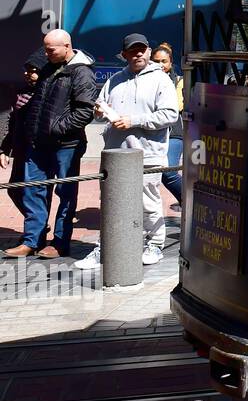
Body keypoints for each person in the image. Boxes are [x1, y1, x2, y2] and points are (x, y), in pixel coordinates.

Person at [75, 33, 179, 269]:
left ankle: (155, 244)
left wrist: (134, 120)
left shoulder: (161, 80)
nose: (138, 54)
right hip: (115, 154)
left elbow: (170, 115)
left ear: (150, 51)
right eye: (133, 50)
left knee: (148, 202)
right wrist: (99, 112)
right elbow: (101, 106)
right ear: (124, 55)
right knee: (110, 202)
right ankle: (105, 247)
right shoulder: (114, 80)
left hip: (148, 153)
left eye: (142, 49)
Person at [3, 30, 97, 259]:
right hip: (39, 144)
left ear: (67, 46)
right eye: (45, 48)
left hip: (66, 145)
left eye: (51, 49)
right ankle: (32, 240)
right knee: (32, 190)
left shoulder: (82, 72)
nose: (46, 53)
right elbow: (37, 103)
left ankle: (60, 243)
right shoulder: (47, 68)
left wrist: (56, 128)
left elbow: (85, 111)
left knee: (65, 193)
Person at [0, 51, 48, 221]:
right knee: (14, 189)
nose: (27, 74)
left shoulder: (46, 93)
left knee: (35, 191)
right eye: (26, 70)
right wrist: (4, 150)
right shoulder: (21, 93)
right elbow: (12, 123)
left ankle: (36, 229)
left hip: (39, 151)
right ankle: (36, 224)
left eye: (32, 70)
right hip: (21, 149)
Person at [151, 43, 184, 208]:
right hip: (150, 134)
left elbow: (178, 107)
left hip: (173, 133)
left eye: (164, 61)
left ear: (171, 62)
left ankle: (191, 198)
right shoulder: (144, 80)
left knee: (168, 172)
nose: (160, 65)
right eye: (156, 61)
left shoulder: (179, 82)